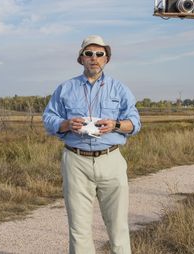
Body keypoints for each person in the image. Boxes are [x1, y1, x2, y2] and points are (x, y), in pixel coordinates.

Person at [42, 35, 141, 254]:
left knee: (118, 227)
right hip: (75, 160)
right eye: (88, 54)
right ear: (81, 59)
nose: (93, 58)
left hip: (111, 159)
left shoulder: (120, 89)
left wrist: (115, 124)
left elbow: (134, 123)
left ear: (107, 59)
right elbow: (48, 119)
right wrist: (65, 124)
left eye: (99, 54)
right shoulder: (65, 89)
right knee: (79, 229)